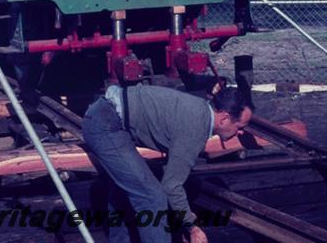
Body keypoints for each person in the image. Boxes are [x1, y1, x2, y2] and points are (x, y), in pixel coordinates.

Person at [82, 83, 253, 243]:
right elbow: (171, 186)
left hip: (108, 116)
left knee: (128, 188)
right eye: (240, 126)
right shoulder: (195, 130)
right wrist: (191, 226)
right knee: (152, 197)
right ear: (224, 118)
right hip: (106, 125)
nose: (240, 132)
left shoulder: (200, 109)